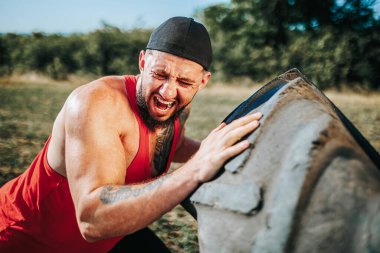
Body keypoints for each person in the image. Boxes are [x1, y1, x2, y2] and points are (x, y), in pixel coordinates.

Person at [0, 16, 262, 252]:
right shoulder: (95, 103)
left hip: (110, 238)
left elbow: (173, 144)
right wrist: (196, 168)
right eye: (160, 74)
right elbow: (92, 219)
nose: (167, 92)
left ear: (202, 81)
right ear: (142, 62)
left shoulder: (177, 108)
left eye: (184, 83)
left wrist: (223, 152)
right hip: (25, 239)